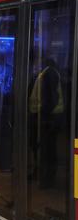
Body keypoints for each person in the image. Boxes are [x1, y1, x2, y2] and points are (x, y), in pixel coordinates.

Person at [29, 57, 64, 188]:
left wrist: (44, 118)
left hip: (48, 118)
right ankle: (42, 174)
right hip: (49, 117)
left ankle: (46, 179)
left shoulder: (48, 74)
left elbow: (51, 99)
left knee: (47, 149)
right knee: (45, 148)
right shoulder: (48, 73)